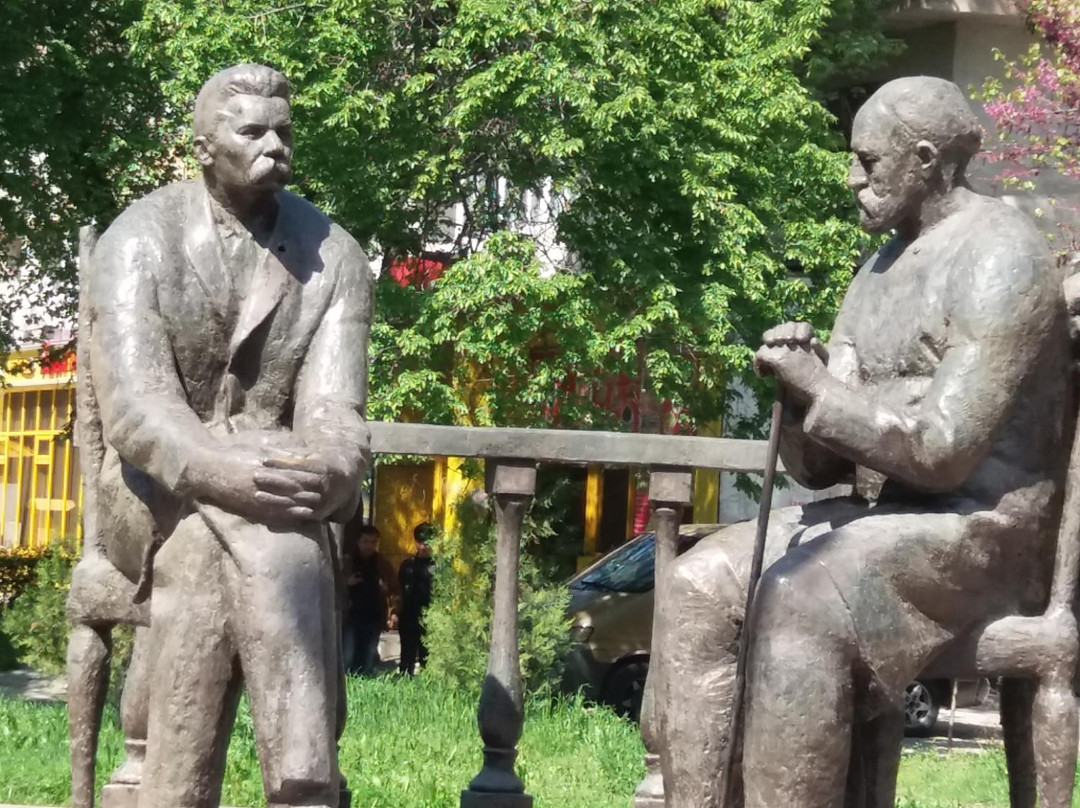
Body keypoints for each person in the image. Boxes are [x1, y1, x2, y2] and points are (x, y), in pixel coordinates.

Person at [647, 76, 1070, 808]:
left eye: (869, 163)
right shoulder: (874, 269)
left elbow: (942, 452)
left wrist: (824, 389)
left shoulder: (1002, 254)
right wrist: (795, 386)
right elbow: (821, 469)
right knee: (694, 587)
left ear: (930, 160)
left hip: (983, 537)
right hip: (881, 522)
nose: (853, 180)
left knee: (796, 599)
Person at [87, 63, 373, 808]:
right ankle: (305, 780)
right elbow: (138, 412)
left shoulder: (333, 252)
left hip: (285, 489)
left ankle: (176, 792)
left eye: (283, 131)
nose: (274, 145)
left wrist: (330, 473)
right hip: (155, 490)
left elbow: (336, 412)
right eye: (252, 131)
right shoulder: (138, 239)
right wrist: (225, 473)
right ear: (204, 146)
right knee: (231, 549)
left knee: (248, 549)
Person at [343, 524, 396, 675]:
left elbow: (394, 588)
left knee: (368, 657)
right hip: (350, 616)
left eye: (373, 542)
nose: (369, 546)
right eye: (366, 541)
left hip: (373, 616)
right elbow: (331, 585)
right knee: (348, 655)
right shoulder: (347, 562)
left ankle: (363, 683)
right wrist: (346, 583)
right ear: (358, 542)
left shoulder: (382, 563)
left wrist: (393, 611)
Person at [397, 522, 435, 675]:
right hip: (408, 616)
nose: (424, 547)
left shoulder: (438, 566)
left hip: (430, 618)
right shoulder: (407, 565)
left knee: (428, 659)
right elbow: (399, 590)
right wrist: (395, 612)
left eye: (427, 543)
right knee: (407, 657)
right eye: (420, 542)